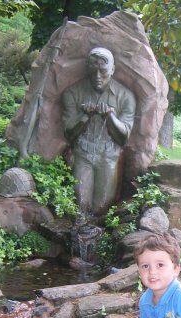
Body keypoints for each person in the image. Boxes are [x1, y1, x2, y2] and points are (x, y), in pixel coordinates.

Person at [62, 47, 136, 215]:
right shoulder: (72, 92)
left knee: (102, 208)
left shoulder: (126, 96)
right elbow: (69, 133)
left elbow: (124, 137)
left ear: (112, 70)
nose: (97, 76)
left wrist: (110, 116)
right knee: (80, 205)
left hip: (109, 156)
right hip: (82, 154)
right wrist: (84, 116)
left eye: (103, 71)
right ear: (87, 67)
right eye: (93, 70)